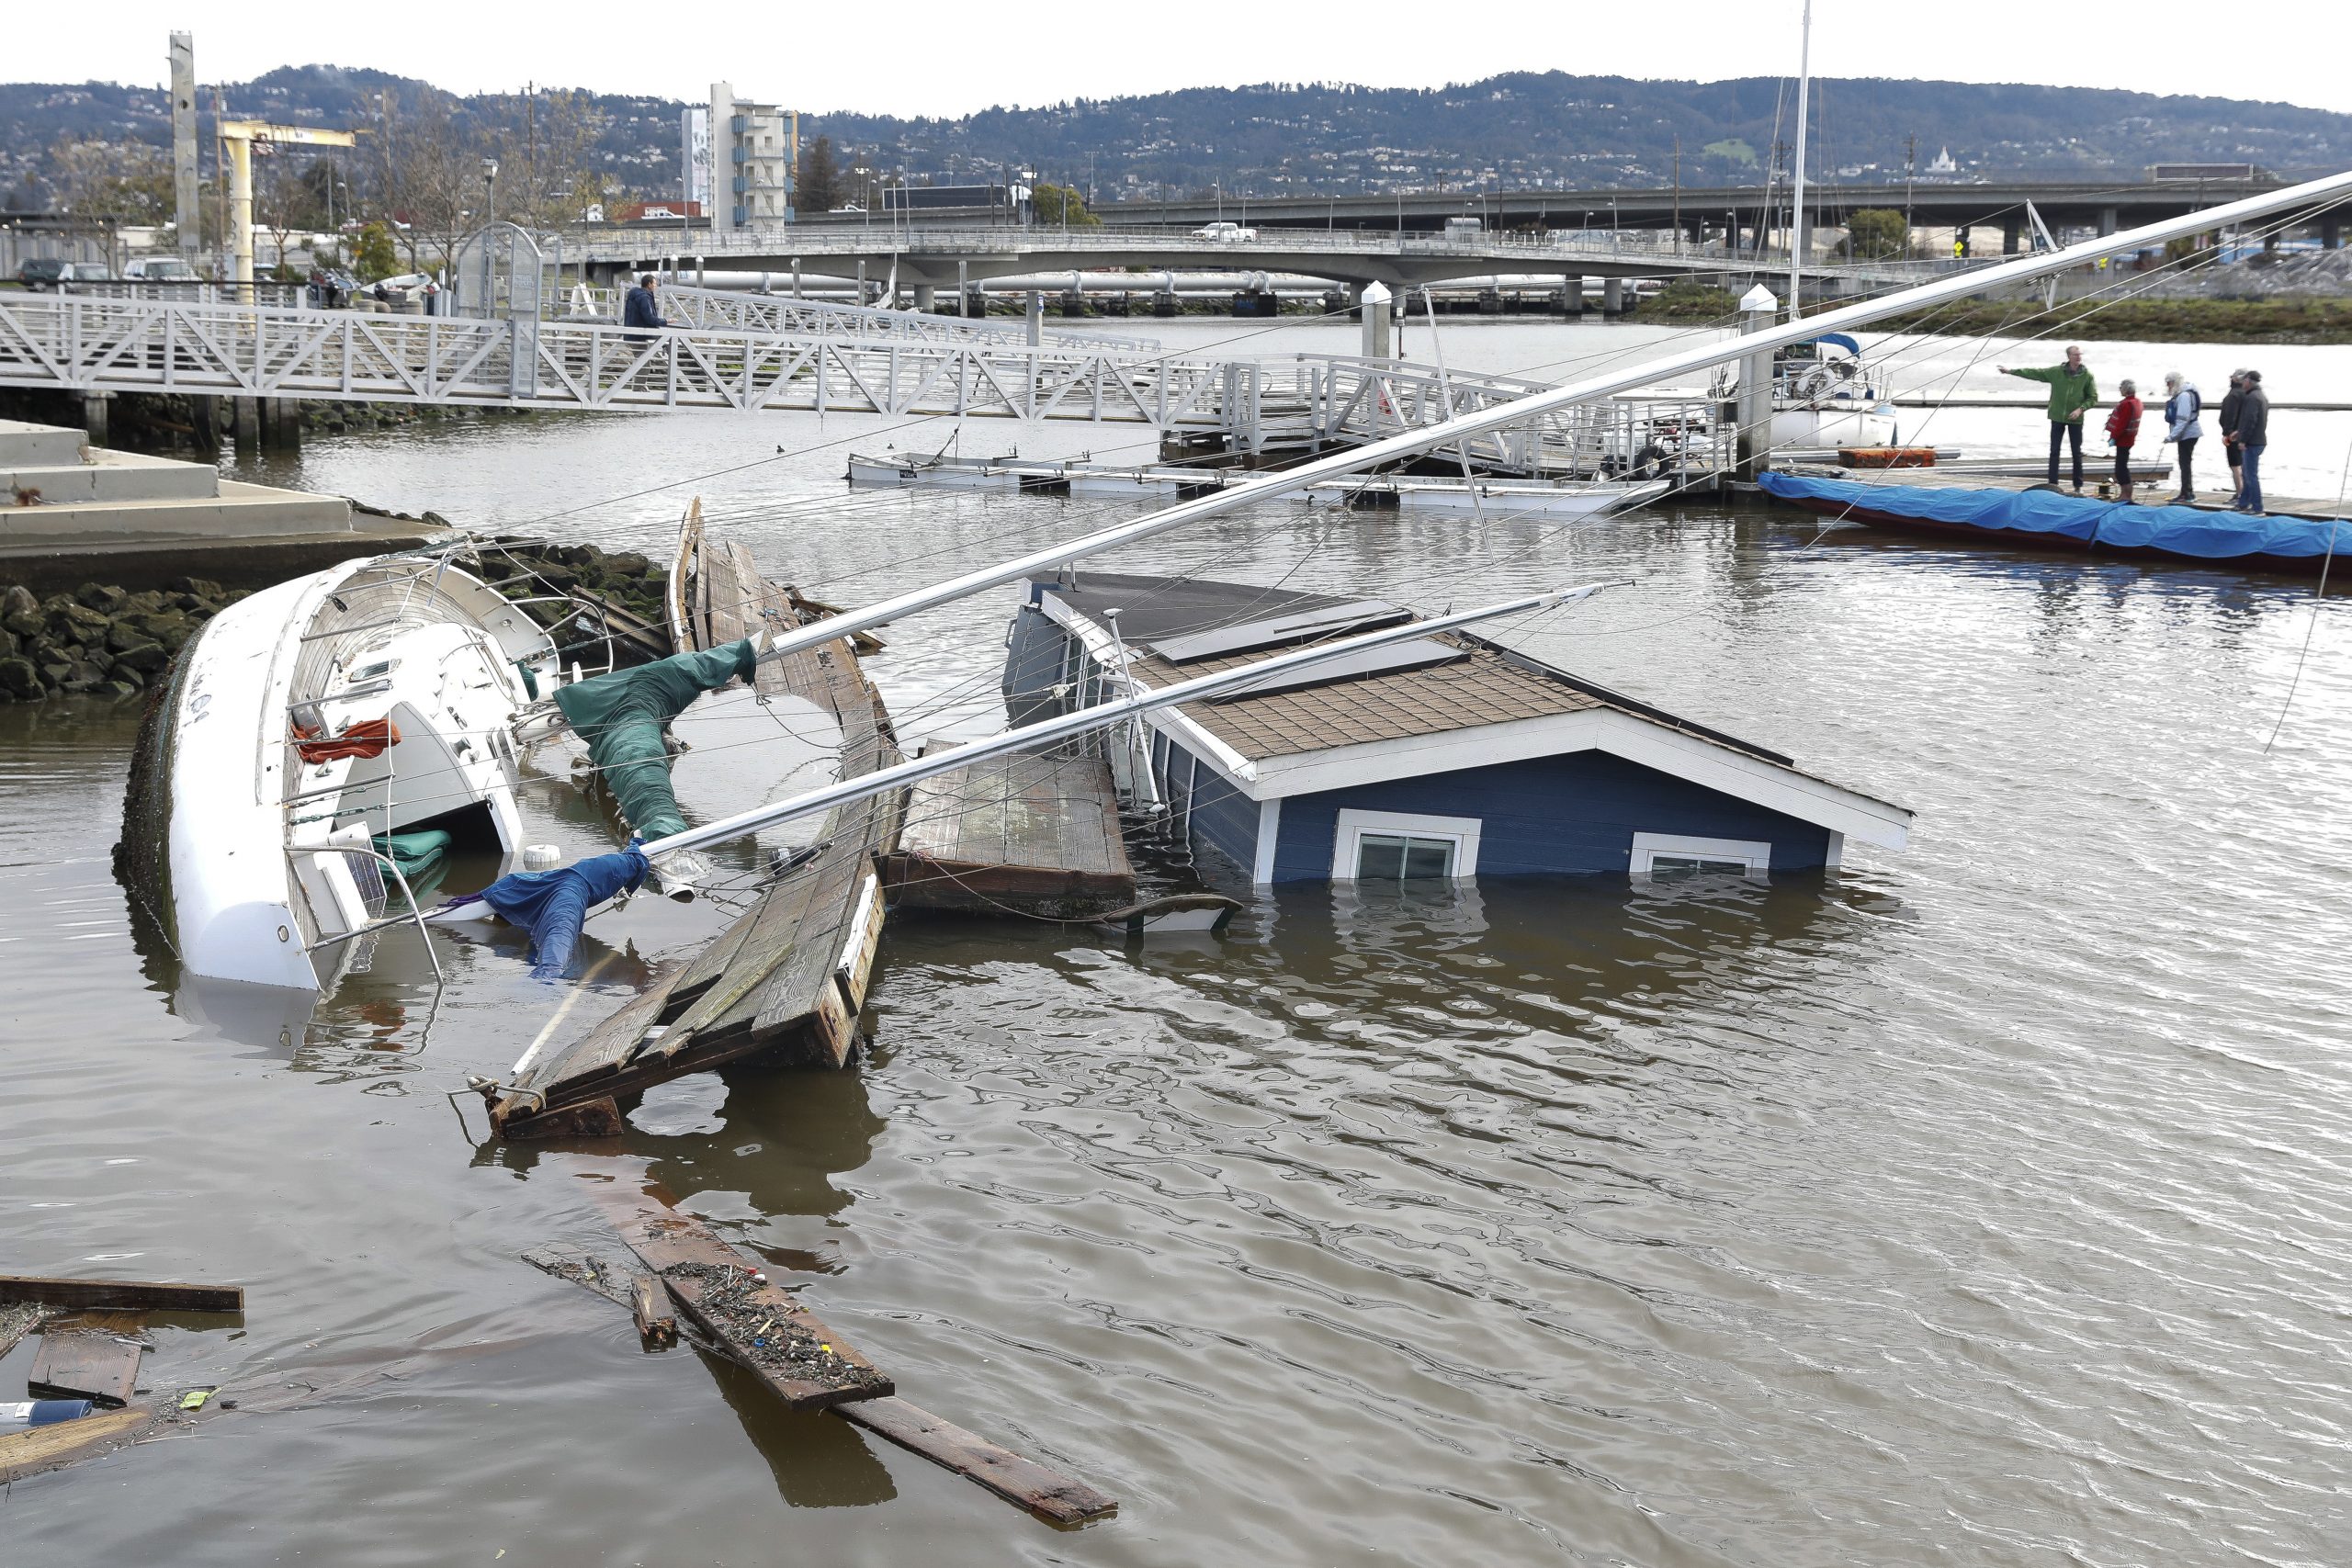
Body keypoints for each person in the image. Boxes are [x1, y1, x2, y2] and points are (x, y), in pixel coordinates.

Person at [1998, 345, 2098, 491]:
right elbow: (2035, 373)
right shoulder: (2056, 372)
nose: (2079, 357)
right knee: (2054, 451)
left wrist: (2080, 409)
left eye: (2080, 355)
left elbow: (2093, 398)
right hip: (2057, 416)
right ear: (2069, 356)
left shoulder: (2087, 375)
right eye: (2076, 355)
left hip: (2075, 419)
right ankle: (2053, 484)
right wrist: (2011, 371)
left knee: (2076, 452)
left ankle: (2078, 486)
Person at [2159, 371, 2203, 503]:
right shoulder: (2183, 394)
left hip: (2189, 434)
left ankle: (2187, 494)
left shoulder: (2183, 396)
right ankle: (2186, 492)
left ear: (2174, 382)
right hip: (2187, 434)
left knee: (2185, 464)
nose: (2167, 386)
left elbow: (2183, 420)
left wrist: (2171, 437)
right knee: (2184, 463)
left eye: (2169, 383)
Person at [2234, 369, 2269, 513]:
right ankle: (2243, 503)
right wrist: (2239, 432)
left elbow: (2250, 421)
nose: (2242, 383)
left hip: (2252, 442)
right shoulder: (2261, 395)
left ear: (2249, 381)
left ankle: (2257, 508)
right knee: (2247, 473)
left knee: (2251, 475)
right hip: (2258, 440)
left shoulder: (2252, 397)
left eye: (2244, 380)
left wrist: (2243, 439)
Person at [2105, 378, 2143, 503]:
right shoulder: (2137, 402)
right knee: (2122, 466)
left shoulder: (2127, 404)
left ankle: (2126, 495)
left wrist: (2113, 438)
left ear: (2126, 389)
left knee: (2120, 469)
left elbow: (2121, 425)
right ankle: (2125, 494)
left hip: (2124, 440)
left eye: (2121, 387)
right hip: (2129, 439)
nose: (2119, 389)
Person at [2218, 370, 2248, 504]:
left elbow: (2229, 416)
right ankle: (2244, 493)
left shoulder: (2233, 395)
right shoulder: (2247, 394)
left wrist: (2227, 434)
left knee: (2235, 466)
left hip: (2233, 436)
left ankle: (2240, 494)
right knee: (2243, 465)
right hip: (2245, 434)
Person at [623, 273, 670, 343]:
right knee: (648, 352)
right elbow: (649, 318)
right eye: (654, 284)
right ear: (649, 284)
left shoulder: (635, 294)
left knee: (642, 353)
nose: (656, 286)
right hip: (641, 336)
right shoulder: (644, 297)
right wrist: (665, 321)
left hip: (632, 334)